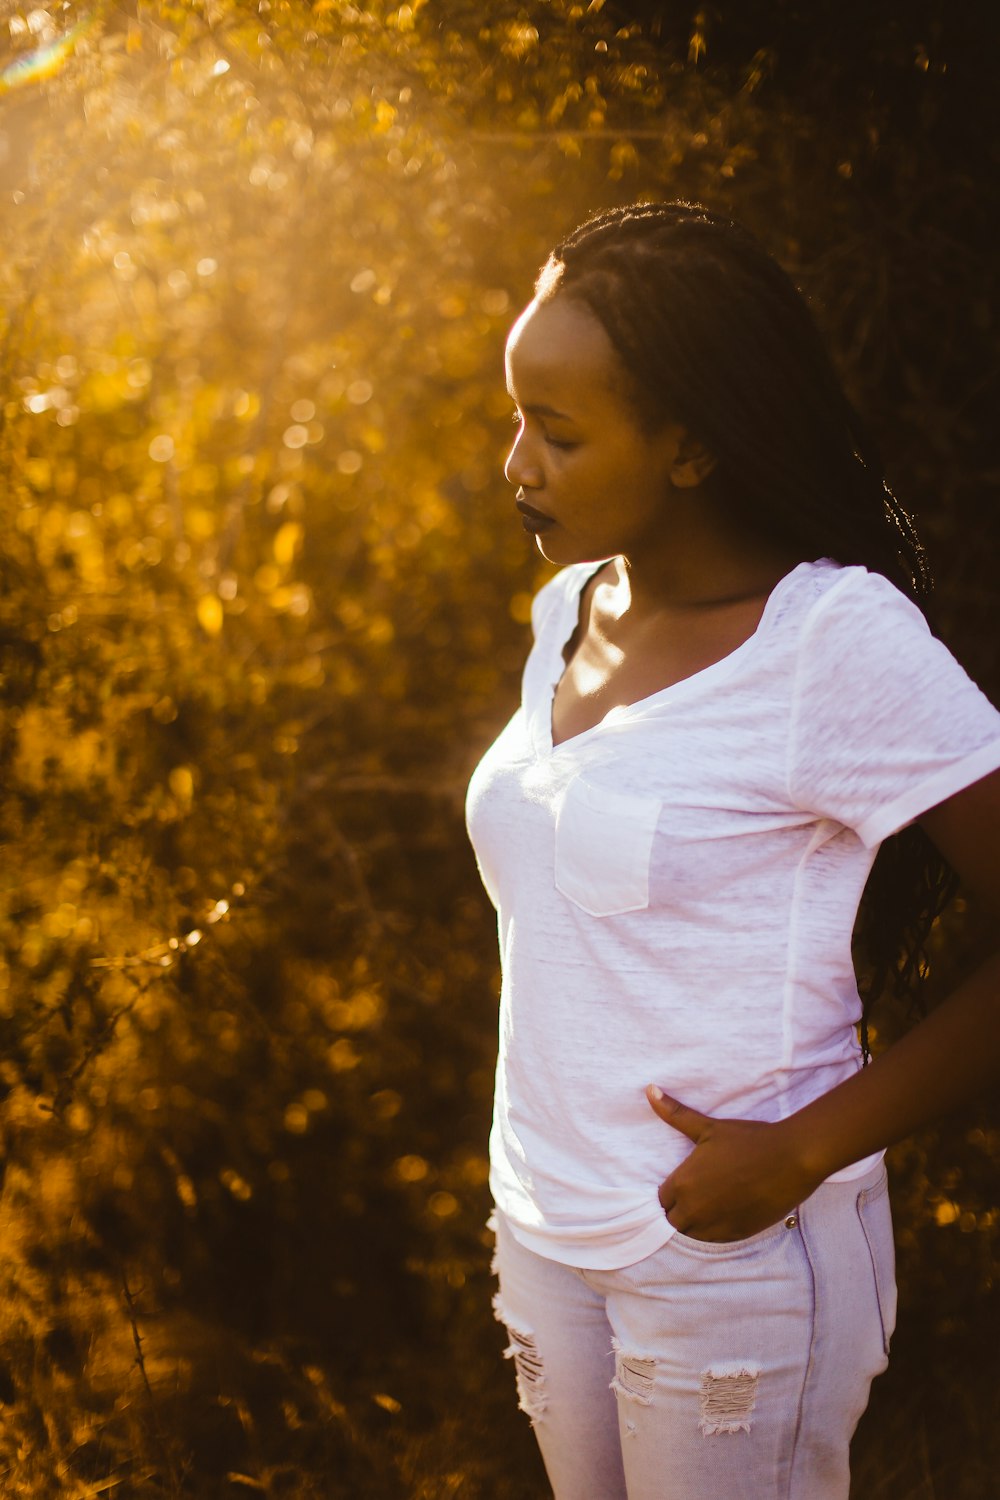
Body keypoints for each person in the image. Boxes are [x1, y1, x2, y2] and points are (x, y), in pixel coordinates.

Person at [463, 201, 1000, 1500]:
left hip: (736, 1257)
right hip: (547, 1226)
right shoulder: (565, 609)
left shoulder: (829, 641)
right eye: (516, 416)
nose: (515, 465)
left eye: (560, 430)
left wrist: (801, 1151)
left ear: (692, 444)